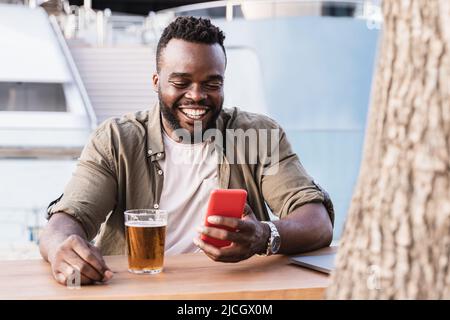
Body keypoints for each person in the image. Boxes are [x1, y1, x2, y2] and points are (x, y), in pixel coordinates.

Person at [39, 16, 334, 286]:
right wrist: (61, 249)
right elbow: (67, 219)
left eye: (211, 83)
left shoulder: (258, 135)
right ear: (156, 82)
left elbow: (317, 221)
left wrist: (264, 236)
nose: (196, 95)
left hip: (234, 291)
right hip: (137, 290)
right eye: (181, 82)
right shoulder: (116, 140)